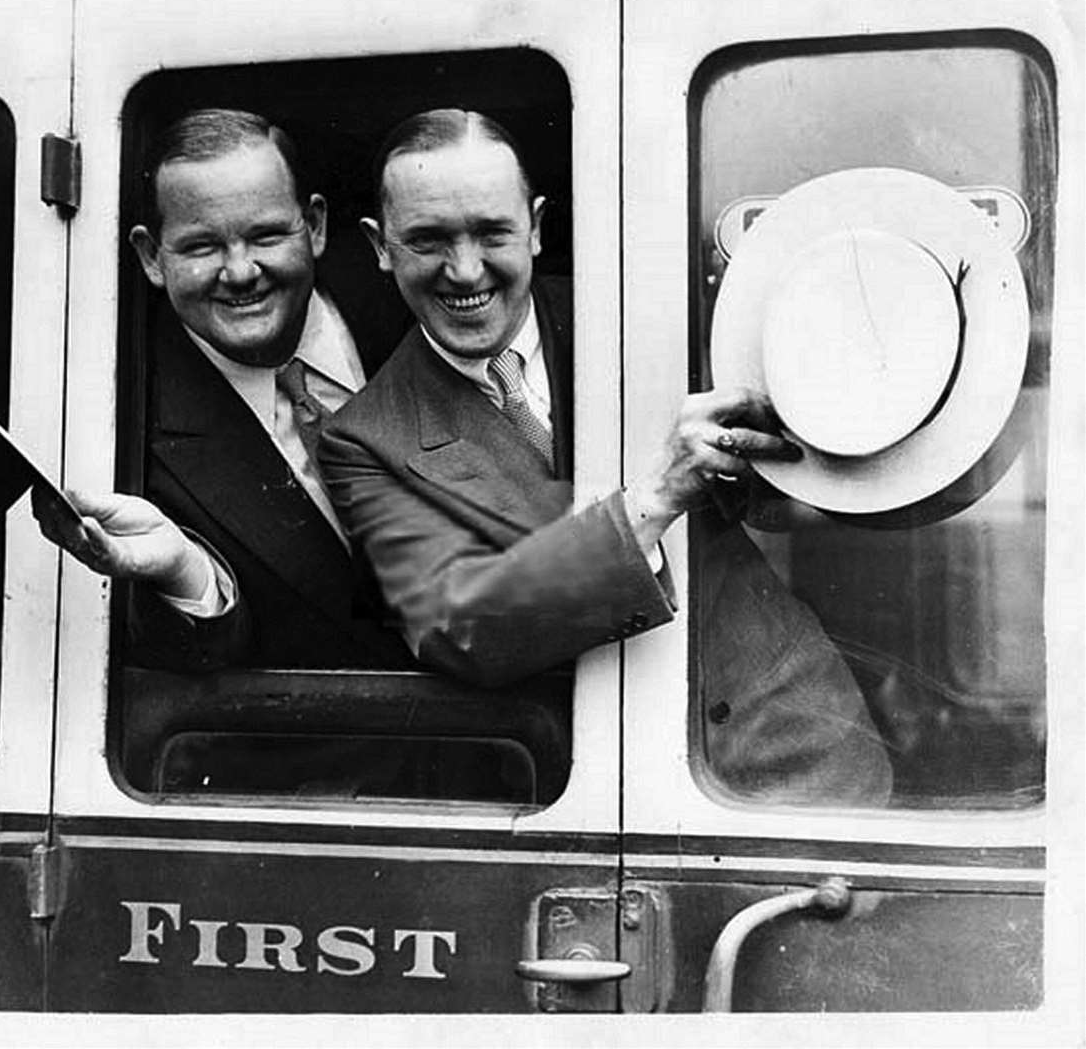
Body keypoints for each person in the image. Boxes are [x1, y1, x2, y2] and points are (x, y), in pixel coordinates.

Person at [318, 109, 892, 805]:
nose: (463, 270)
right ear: (380, 247)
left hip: (798, 736)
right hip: (603, 786)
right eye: (428, 240)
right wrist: (651, 500)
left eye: (491, 233)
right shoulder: (361, 437)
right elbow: (457, 629)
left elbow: (804, 469)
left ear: (534, 225)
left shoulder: (642, 312)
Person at [35, 108, 411, 673]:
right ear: (151, 258)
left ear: (314, 226)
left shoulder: (416, 299)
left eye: (265, 235)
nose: (239, 272)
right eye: (202, 247)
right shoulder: (117, 416)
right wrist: (187, 576)